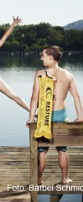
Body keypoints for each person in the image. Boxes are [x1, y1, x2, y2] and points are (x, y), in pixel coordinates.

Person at [26, 45, 83, 185]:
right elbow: (76, 97)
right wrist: (80, 116)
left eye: (43, 55)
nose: (41, 57)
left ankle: (39, 179)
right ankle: (64, 178)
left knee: (42, 151)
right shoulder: (68, 75)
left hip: (44, 115)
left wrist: (30, 117)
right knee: (62, 150)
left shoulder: (40, 74)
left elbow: (34, 98)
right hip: (61, 116)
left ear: (51, 58)